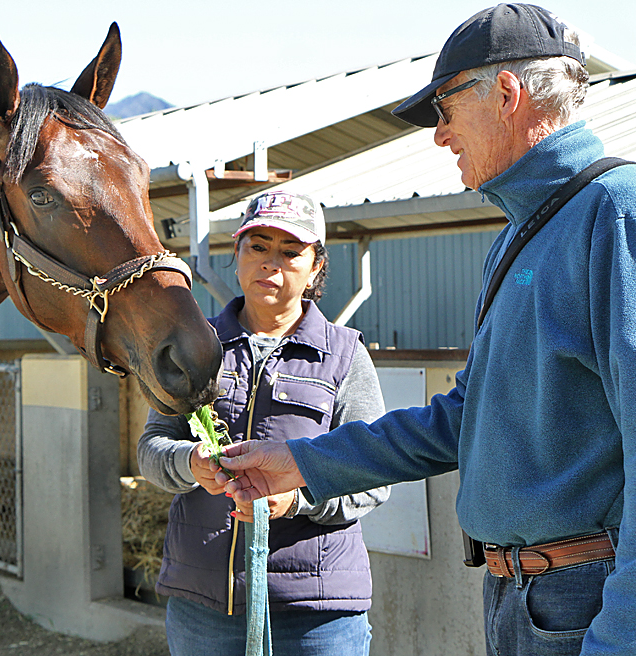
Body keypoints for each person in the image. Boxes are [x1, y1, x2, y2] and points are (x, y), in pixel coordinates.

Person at [217, 5, 636, 656]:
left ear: (505, 93)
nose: (438, 136)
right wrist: (301, 463)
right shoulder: (519, 236)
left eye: (443, 109)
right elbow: (461, 419)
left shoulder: (614, 213)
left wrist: (618, 637)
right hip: (518, 598)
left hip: (586, 597)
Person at [138, 190, 390, 656]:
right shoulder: (197, 346)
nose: (270, 264)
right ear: (235, 255)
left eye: (290, 252)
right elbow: (151, 449)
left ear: (316, 267)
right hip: (206, 609)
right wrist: (188, 463)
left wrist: (297, 499)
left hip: (315, 614)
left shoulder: (345, 356)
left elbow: (372, 473)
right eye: (257, 247)